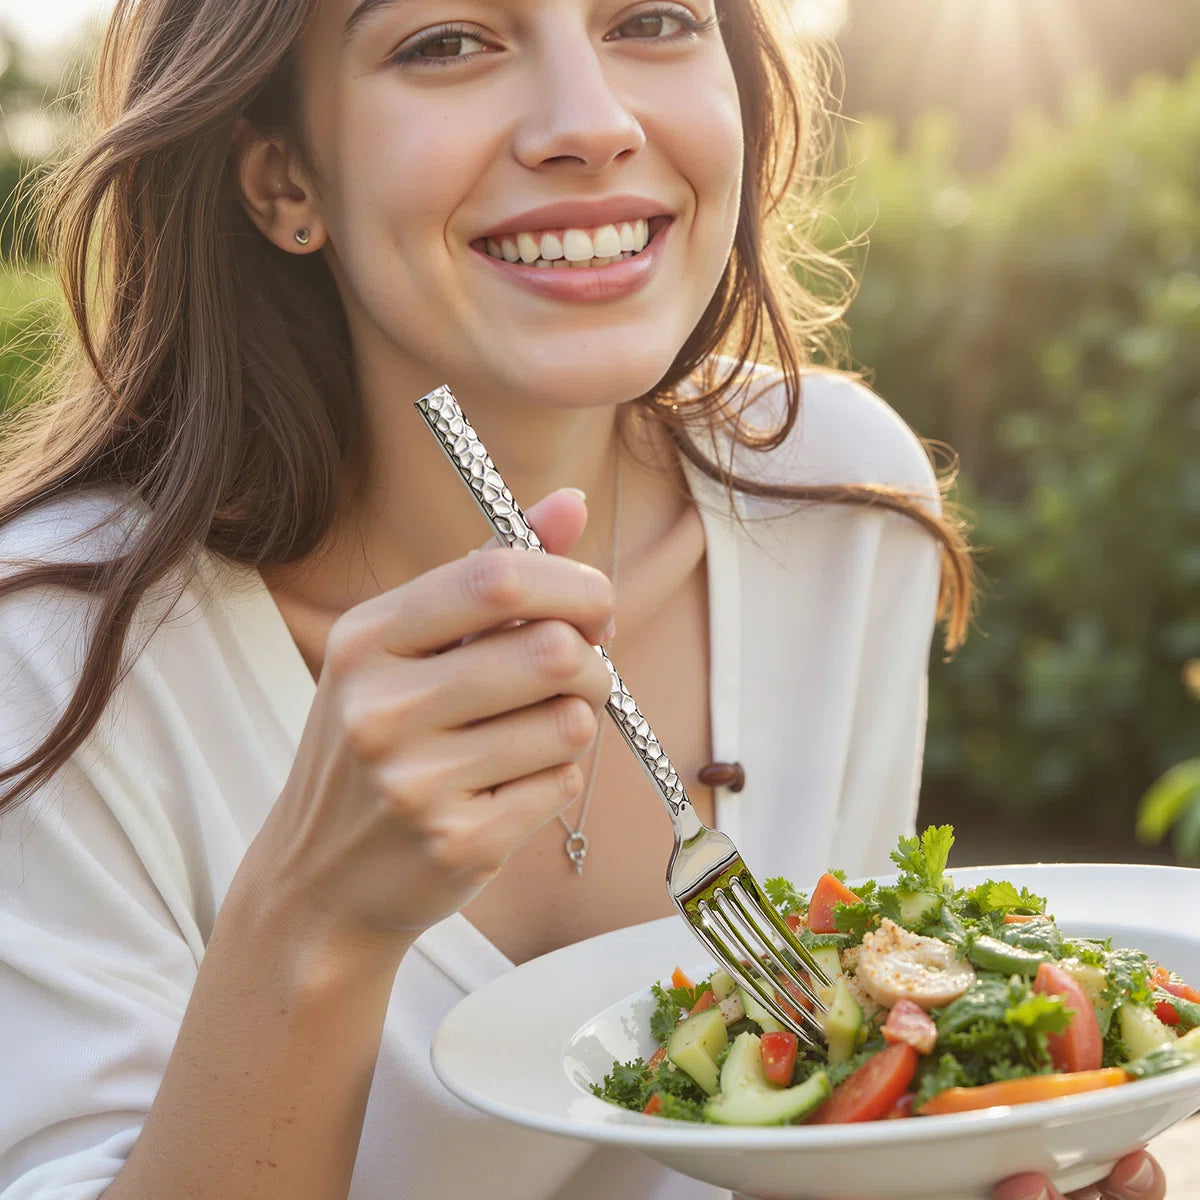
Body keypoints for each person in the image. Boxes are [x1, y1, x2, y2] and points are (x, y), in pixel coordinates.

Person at [0, 1, 1167, 1198]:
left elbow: (839, 1132)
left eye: (652, 17)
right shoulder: (52, 656)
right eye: (446, 41)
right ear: (283, 177)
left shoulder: (837, 504)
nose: (591, 123)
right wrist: (315, 918)